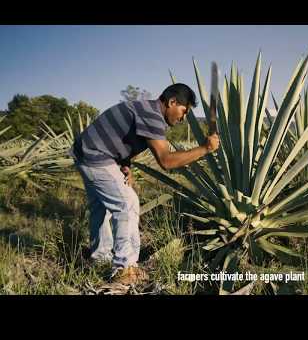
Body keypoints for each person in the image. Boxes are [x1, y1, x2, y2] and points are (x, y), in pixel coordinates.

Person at [69, 83, 220, 285]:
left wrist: (125, 163)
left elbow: (122, 136)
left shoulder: (146, 110)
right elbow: (166, 161)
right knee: (127, 203)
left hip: (85, 152)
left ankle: (100, 259)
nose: (183, 118)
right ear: (172, 102)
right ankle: (125, 269)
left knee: (101, 208)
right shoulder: (152, 116)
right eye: (183, 111)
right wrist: (205, 149)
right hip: (95, 156)